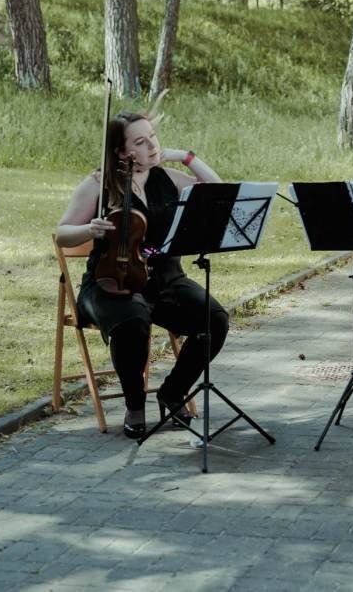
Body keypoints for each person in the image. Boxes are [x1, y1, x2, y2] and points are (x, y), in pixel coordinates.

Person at [56, 110, 228, 438]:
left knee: (214, 319)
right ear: (122, 153)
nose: (151, 146)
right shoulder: (100, 183)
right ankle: (135, 405)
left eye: (153, 137)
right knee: (133, 320)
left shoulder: (168, 179)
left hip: (164, 281)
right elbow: (62, 233)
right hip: (111, 284)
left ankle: (172, 392)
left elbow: (218, 193)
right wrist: (88, 229)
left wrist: (187, 158)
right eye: (139, 141)